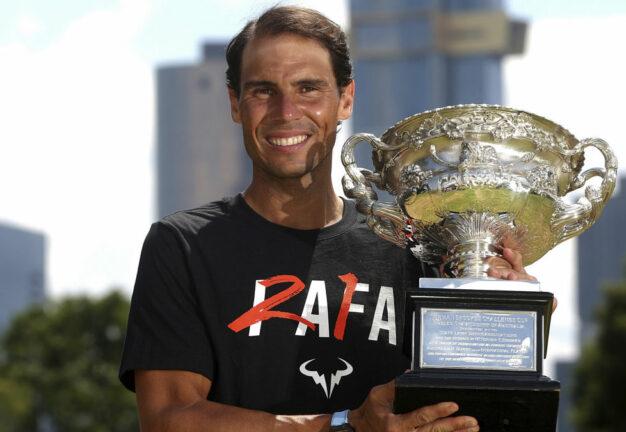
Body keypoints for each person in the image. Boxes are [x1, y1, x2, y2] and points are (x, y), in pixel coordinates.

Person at [119, 6, 536, 432]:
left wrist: (505, 314)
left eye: (308, 89)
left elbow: (467, 407)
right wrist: (344, 424)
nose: (285, 111)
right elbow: (169, 418)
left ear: (346, 99)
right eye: (263, 90)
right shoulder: (184, 246)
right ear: (235, 103)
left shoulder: (412, 247)